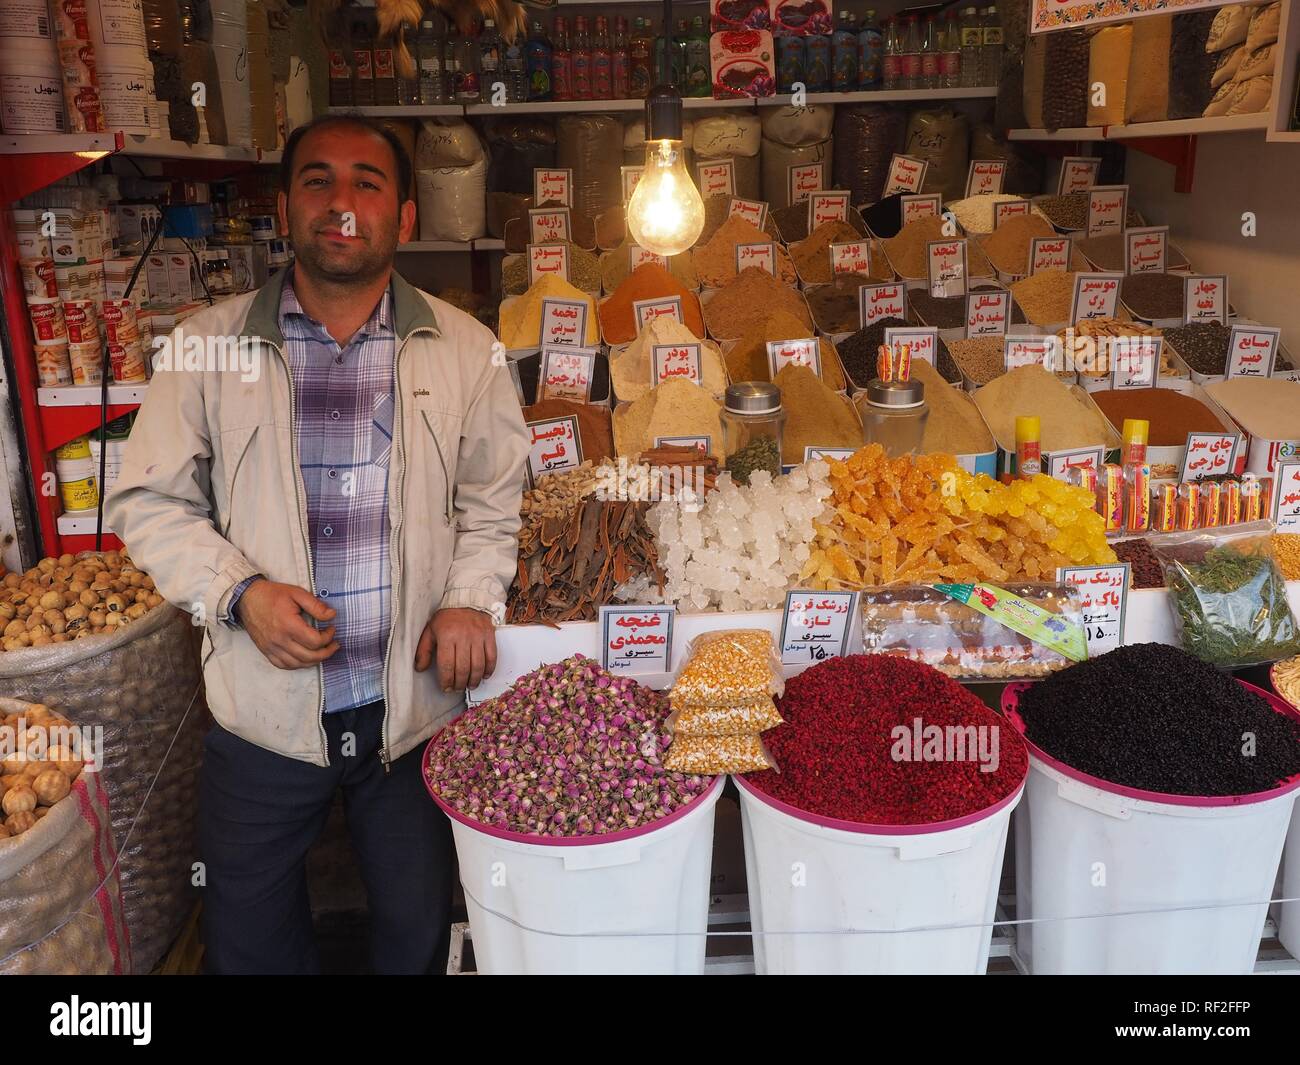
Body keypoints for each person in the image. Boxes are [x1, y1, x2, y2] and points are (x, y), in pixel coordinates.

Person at [106, 114, 528, 974]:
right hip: (261, 716)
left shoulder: (467, 350)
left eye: (367, 184)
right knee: (249, 947)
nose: (342, 203)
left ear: (404, 218)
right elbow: (148, 500)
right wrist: (238, 592)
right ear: (285, 206)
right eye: (318, 181)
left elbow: (493, 501)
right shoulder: (206, 346)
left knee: (414, 936)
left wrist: (469, 598)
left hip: (413, 714)